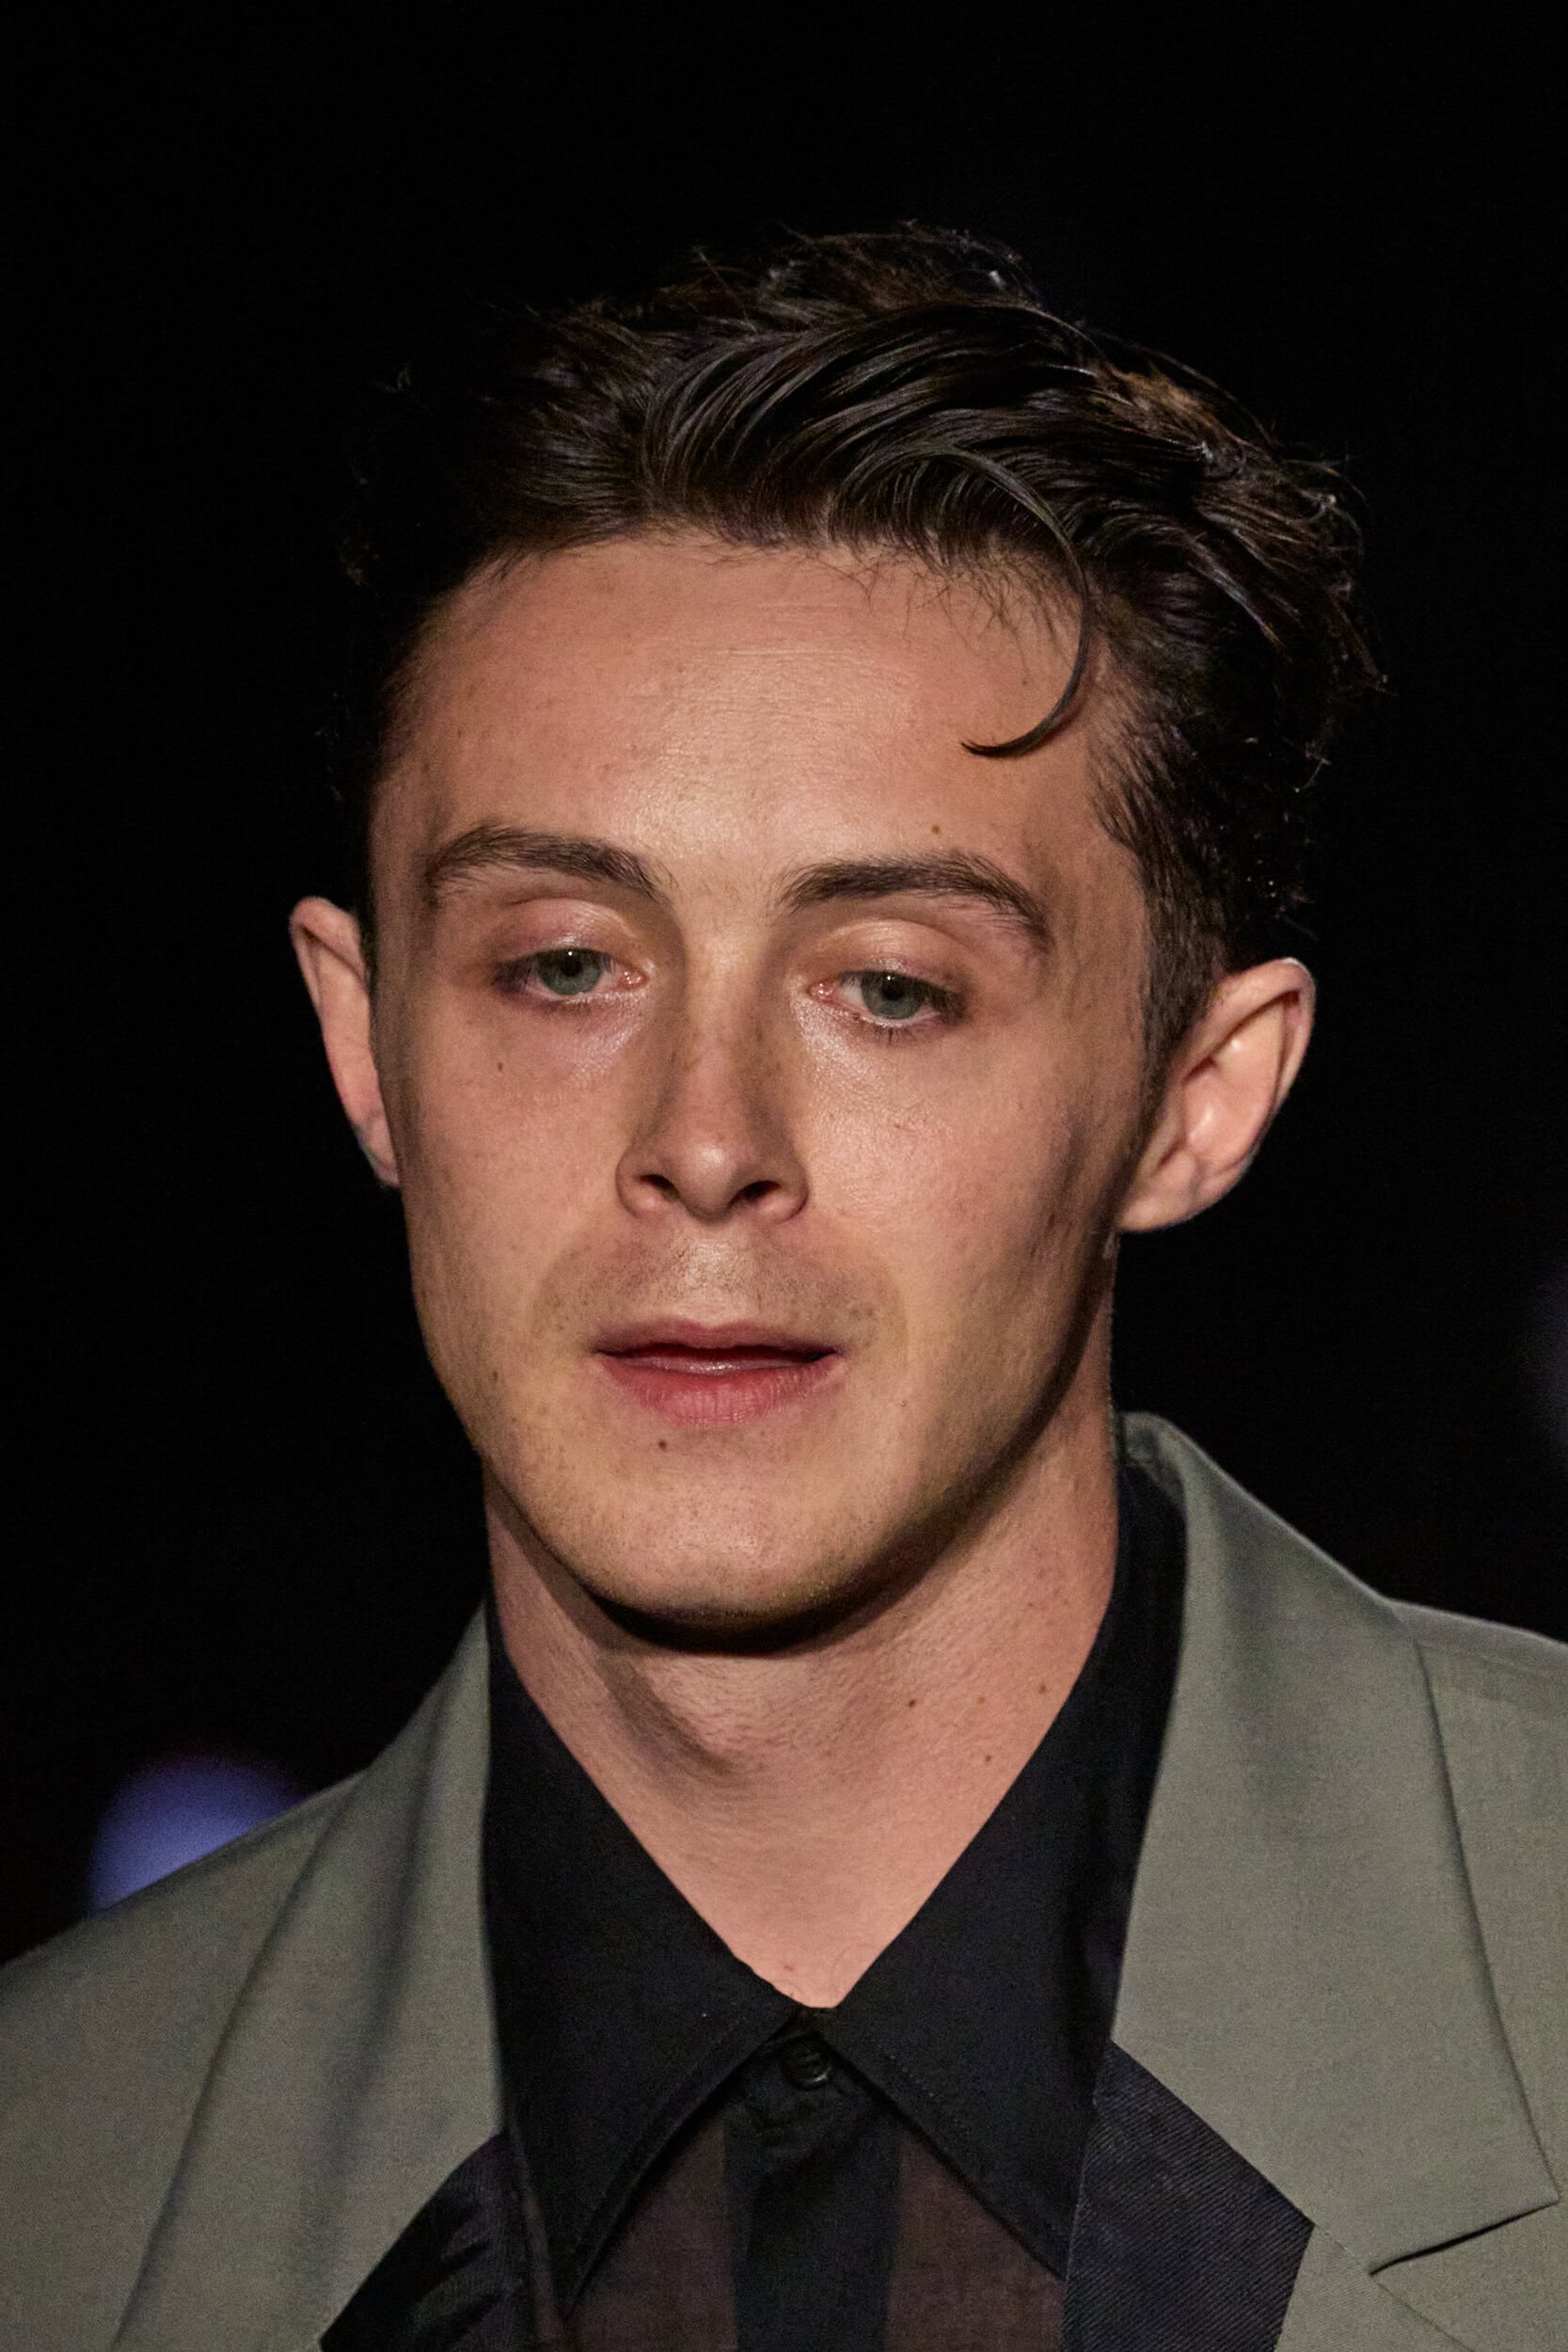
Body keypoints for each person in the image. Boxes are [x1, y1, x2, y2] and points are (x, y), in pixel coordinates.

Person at [2, 227, 1561, 2352]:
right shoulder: (54, 2171)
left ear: (1197, 1096)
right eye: (568, 965)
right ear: (366, 1044)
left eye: (891, 986)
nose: (707, 1136)